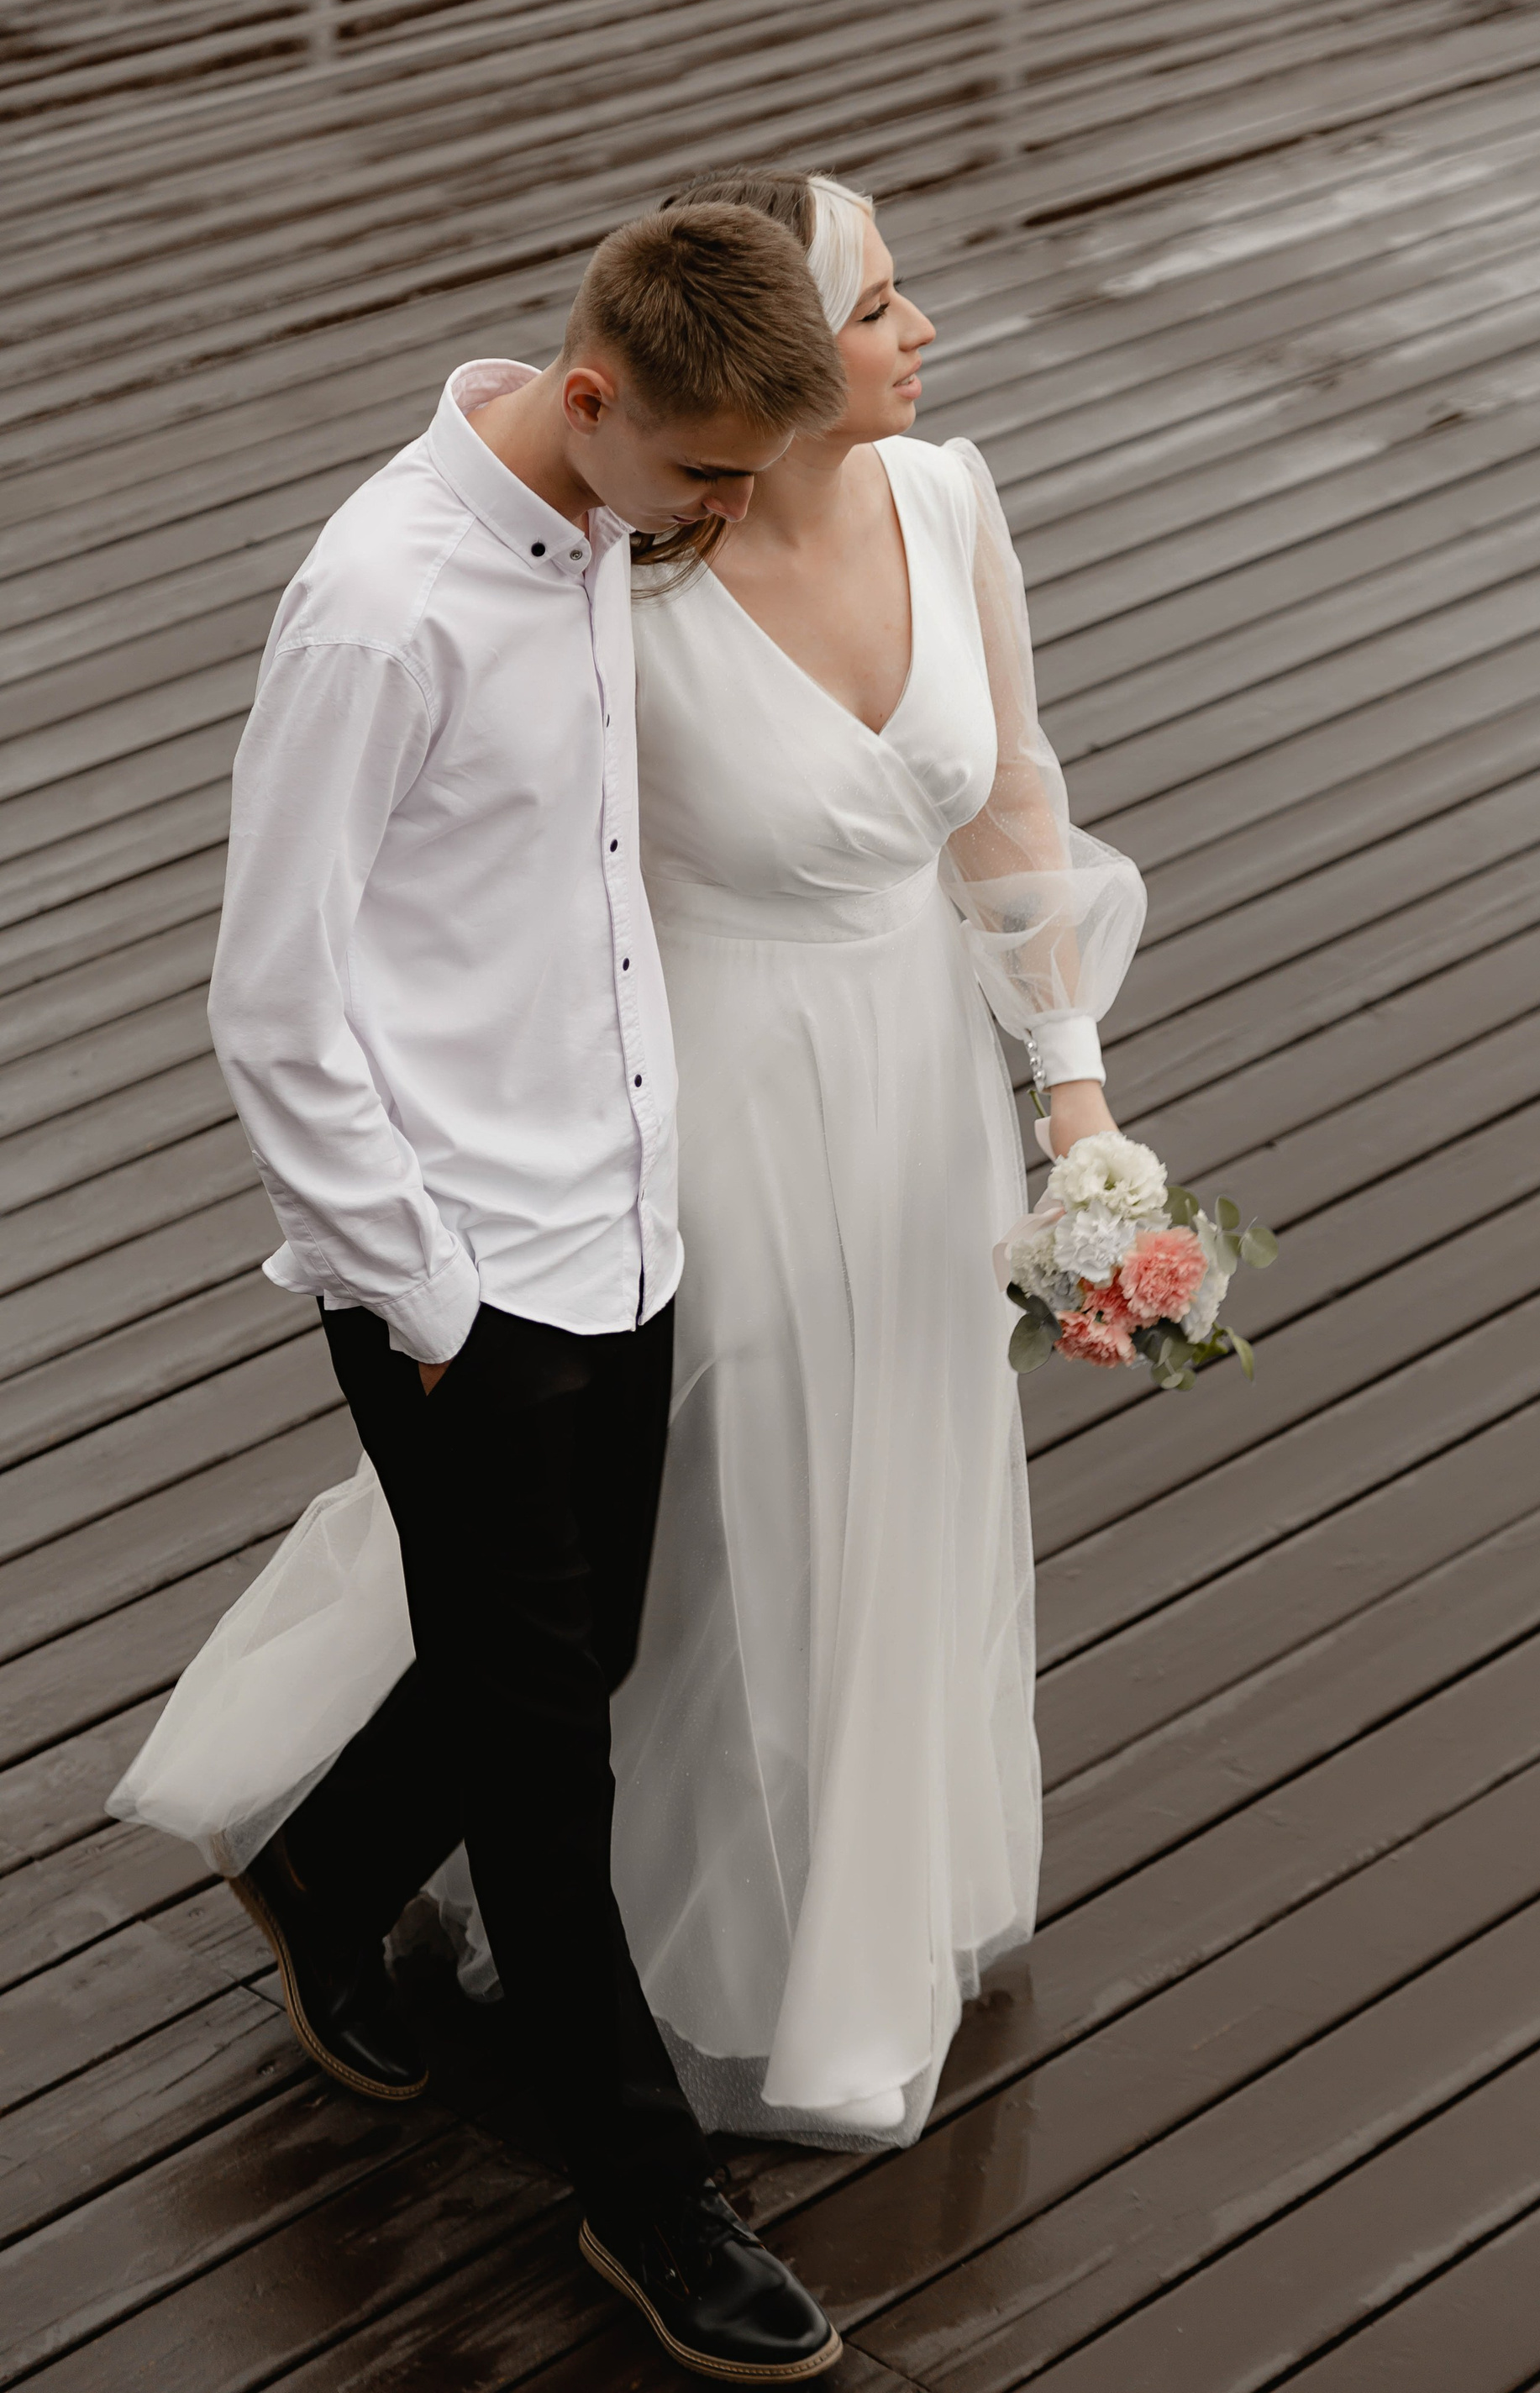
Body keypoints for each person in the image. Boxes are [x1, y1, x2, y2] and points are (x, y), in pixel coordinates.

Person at [117, 166, 1143, 2189]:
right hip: (685, 1116)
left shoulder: (916, 503)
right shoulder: (592, 563)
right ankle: (637, 2117)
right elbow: (308, 973)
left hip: (896, 1096)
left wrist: (1072, 1101)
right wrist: (422, 1282)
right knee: (664, 1570)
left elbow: (1011, 796)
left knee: (820, 1519)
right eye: (882, 303)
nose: (921, 334)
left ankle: (748, 1930)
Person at [129, 204, 851, 2385]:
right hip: (455, 1285)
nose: (721, 519)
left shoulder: (608, 515)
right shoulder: (379, 608)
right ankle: (645, 2199)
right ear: (595, 394)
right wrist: (424, 1301)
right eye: (705, 475)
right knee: (549, 1761)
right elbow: (273, 998)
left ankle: (328, 1873)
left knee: (585, 1646)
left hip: (620, 1225)